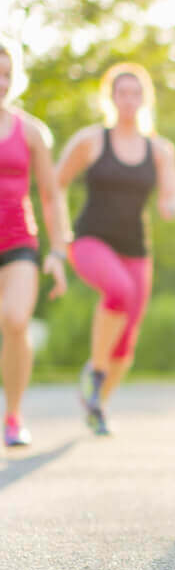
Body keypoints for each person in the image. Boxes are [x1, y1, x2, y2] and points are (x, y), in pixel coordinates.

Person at [55, 63, 175, 436]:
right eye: (122, 92)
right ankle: (95, 372)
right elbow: (55, 184)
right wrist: (60, 234)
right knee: (118, 290)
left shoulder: (160, 150)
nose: (128, 100)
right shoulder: (90, 140)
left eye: (135, 93)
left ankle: (98, 405)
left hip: (136, 249)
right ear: (111, 98)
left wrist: (173, 206)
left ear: (144, 99)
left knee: (126, 343)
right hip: (89, 240)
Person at [0, 41, 68, 447]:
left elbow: (51, 195)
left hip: (18, 241)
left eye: (7, 74)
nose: (2, 82)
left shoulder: (31, 132)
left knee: (15, 320)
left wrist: (58, 250)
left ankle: (13, 415)